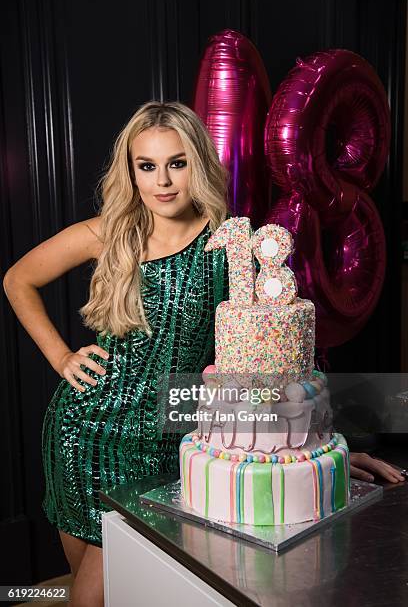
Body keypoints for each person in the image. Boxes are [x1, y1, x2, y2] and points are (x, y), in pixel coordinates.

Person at [3, 101, 404, 607]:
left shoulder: (230, 245)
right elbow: (17, 279)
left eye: (178, 162)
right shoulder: (109, 232)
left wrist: (323, 446)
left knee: (104, 594)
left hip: (171, 439)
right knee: (87, 583)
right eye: (146, 166)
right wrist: (62, 357)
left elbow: (271, 358)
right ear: (131, 171)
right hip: (85, 431)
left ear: (199, 163)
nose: (163, 180)